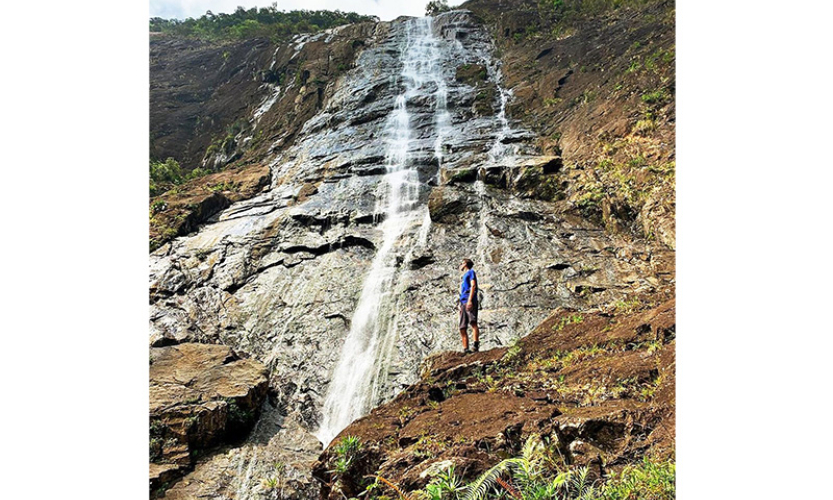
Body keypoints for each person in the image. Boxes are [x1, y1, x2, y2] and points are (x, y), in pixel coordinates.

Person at [458, 258, 480, 353]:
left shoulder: (471, 272)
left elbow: (473, 286)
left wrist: (470, 300)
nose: (460, 265)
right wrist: (460, 305)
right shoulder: (464, 277)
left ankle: (475, 344)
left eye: (461, 263)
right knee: (462, 327)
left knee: (473, 322)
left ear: (466, 264)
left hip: (469, 300)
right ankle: (465, 349)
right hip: (463, 301)